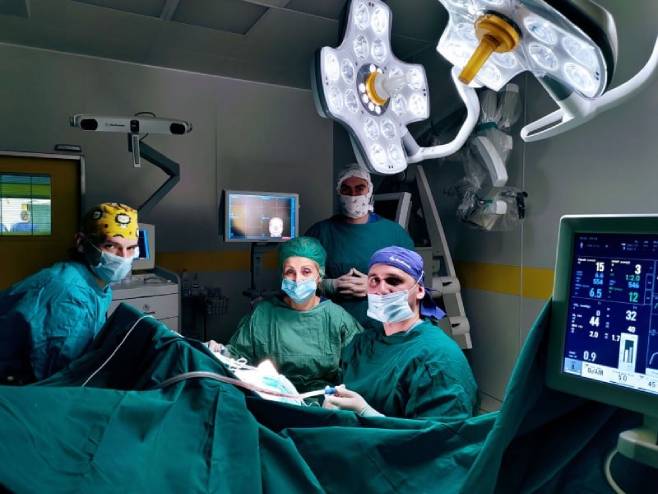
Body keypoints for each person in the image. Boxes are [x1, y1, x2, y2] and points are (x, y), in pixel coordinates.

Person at [324, 246, 478, 420]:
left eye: (394, 281)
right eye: (374, 280)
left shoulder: (438, 356)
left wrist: (367, 414)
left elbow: (442, 432)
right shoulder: (362, 343)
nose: (381, 289)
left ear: (420, 290)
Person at [0, 202, 139, 384]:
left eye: (131, 248)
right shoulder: (70, 295)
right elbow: (57, 380)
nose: (123, 258)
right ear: (81, 243)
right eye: (111, 246)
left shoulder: (95, 283)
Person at [227, 236, 363, 393]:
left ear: (320, 276)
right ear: (282, 276)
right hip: (273, 397)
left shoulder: (337, 319)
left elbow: (361, 368)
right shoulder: (262, 315)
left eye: (306, 271)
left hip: (324, 400)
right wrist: (219, 352)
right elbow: (235, 358)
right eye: (290, 272)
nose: (298, 279)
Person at [306, 164, 415, 329]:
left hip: (381, 328)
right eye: (346, 189)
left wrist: (377, 287)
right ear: (338, 192)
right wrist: (328, 285)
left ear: (369, 190)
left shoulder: (394, 234)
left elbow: (414, 284)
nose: (353, 195)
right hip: (331, 326)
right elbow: (295, 281)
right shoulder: (320, 232)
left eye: (359, 188)